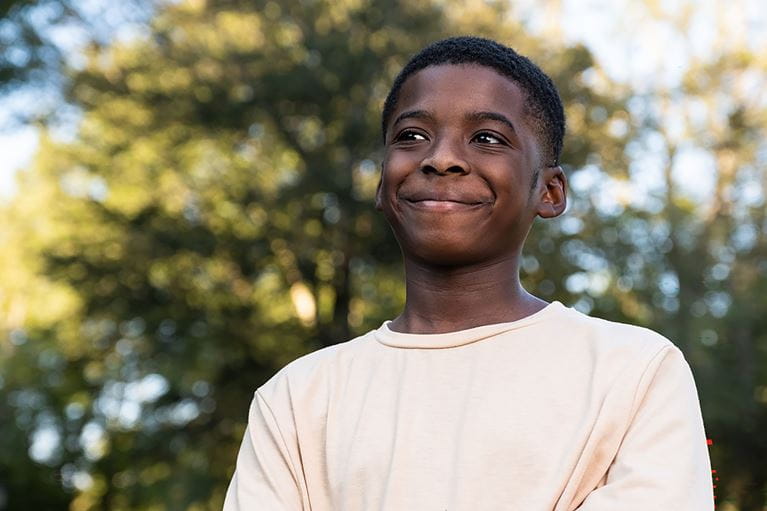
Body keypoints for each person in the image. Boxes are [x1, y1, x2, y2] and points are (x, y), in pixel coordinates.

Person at [223, 36, 714, 510]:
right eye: (412, 136)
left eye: (487, 138)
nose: (441, 158)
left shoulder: (635, 373)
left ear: (550, 191)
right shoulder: (296, 399)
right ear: (380, 183)